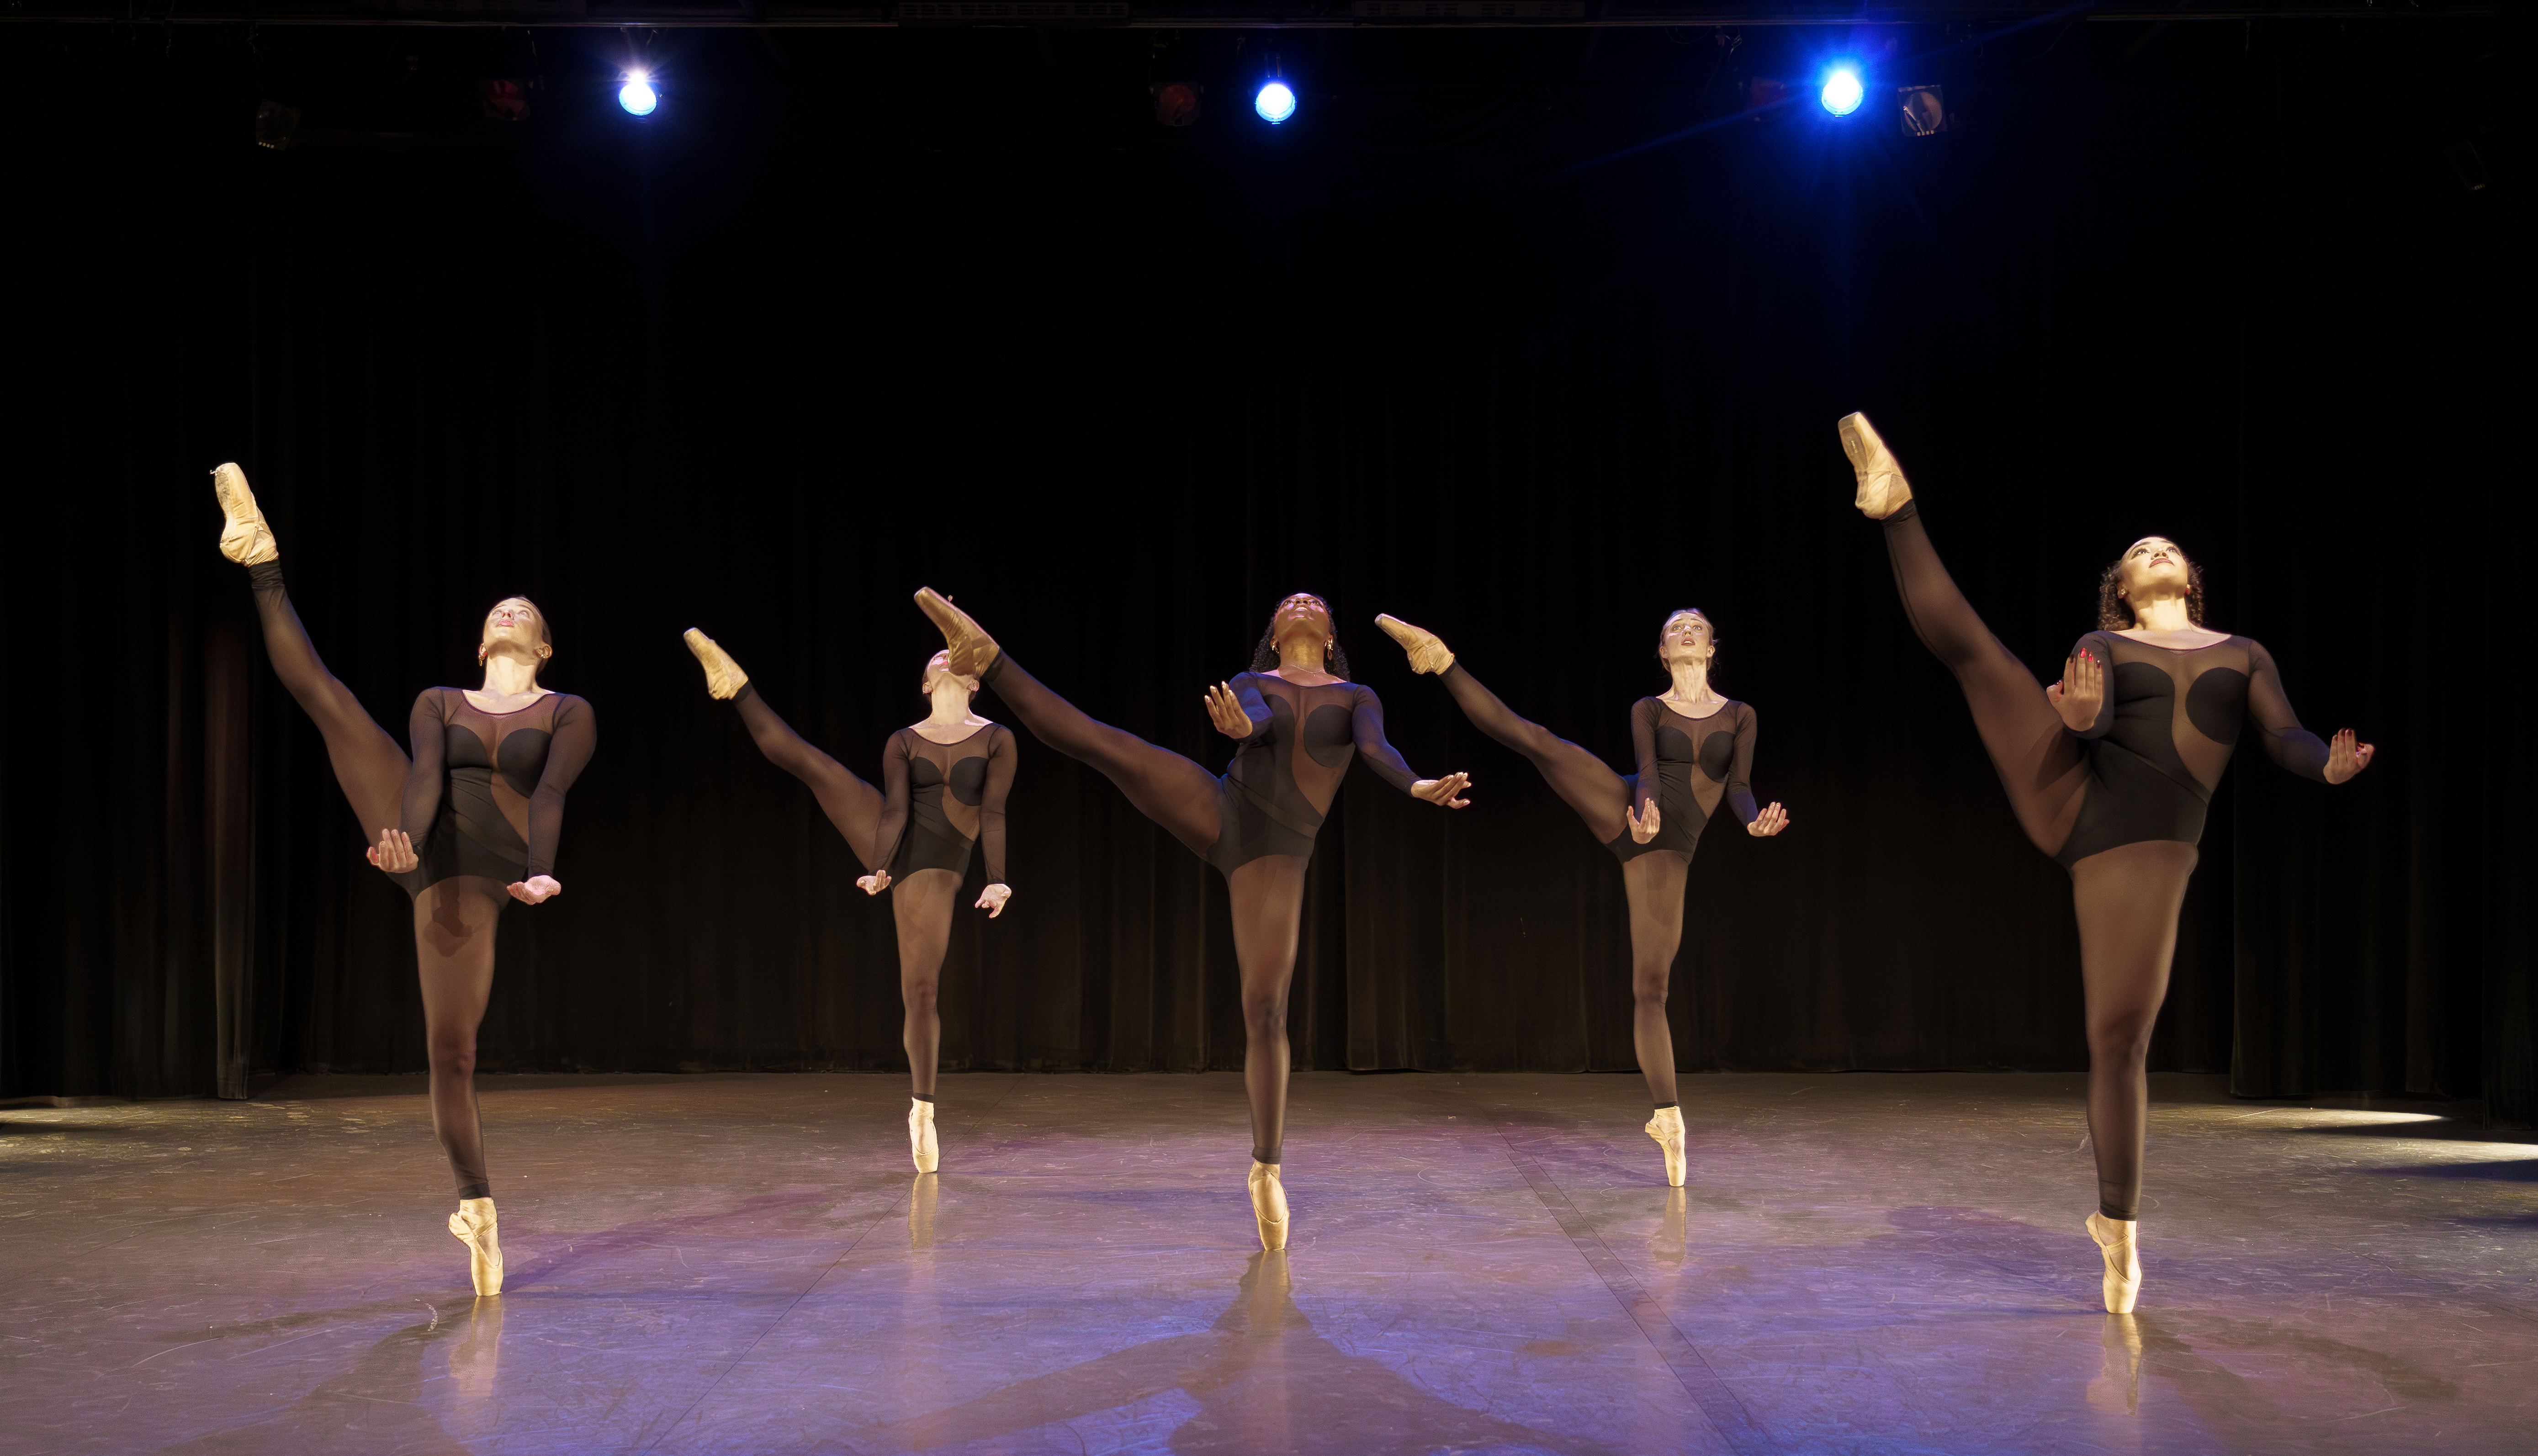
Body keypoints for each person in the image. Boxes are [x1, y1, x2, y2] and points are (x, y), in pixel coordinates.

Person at [1837, 413, 2373, 1313]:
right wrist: (2079, 716)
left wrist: (2323, 761)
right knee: (1978, 658)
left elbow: (2281, 735)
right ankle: (1894, 509)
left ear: (2185, 581)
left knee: (2117, 1040)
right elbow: (2081, 714)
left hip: (2146, 843)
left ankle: (2115, 1226)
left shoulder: (2243, 655)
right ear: (2121, 589)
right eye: (2138, 550)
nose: (2154, 551)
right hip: (2074, 795)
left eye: (2165, 547)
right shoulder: (2103, 645)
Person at [913, 588, 1471, 1250]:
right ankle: (992, 659)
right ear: (1272, 633)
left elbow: (1377, 750)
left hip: (1279, 845)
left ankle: (1266, 1166)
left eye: (1311, 600)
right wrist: (1243, 728)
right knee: (1105, 744)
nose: (1299, 602)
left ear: (1329, 637)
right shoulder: (1249, 681)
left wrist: (1414, 786)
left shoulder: (1356, 696)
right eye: (1288, 601)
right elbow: (1258, 720)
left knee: (1264, 1007)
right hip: (1224, 807)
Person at [212, 464, 597, 1296]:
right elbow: (423, 772)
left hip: (484, 866)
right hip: (424, 835)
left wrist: (540, 872)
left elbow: (553, 792)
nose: (511, 609)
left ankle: (477, 1208)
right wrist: (404, 843)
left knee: (451, 1052)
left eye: (525, 612)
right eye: (501, 609)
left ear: (544, 645)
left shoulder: (567, 711)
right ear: (481, 640)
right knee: (333, 702)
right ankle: (259, 558)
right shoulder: (440, 700)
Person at [1374, 610, 1790, 1186]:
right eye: (1673, 629)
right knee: (1538, 741)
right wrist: (1642, 813)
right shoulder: (1648, 708)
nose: (1685, 631)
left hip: (1671, 846)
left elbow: (1739, 789)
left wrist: (1752, 824)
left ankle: (1668, 1119)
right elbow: (1646, 772)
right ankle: (1441, 660)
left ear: (1712, 647)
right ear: (1664, 653)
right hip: (1630, 811)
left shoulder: (1740, 715)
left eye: (1695, 626)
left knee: (1651, 987)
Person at [684, 630, 1015, 1172]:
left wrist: (998, 878)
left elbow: (994, 812)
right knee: (814, 765)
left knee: (922, 990)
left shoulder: (997, 738)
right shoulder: (903, 740)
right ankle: (736, 685)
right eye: (935, 655)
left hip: (941, 858)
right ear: (926, 681)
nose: (944, 658)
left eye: (955, 656)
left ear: (974, 679)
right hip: (897, 842)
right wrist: (880, 864)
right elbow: (895, 811)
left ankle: (922, 1110)